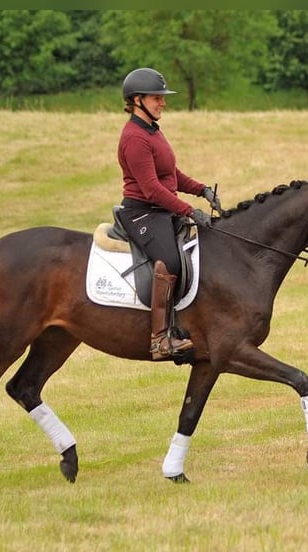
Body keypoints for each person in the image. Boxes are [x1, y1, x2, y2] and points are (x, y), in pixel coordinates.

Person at [116, 67, 222, 361]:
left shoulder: (152, 131)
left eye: (162, 98)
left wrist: (201, 189)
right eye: (156, 98)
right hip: (142, 214)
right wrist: (189, 210)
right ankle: (160, 339)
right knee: (171, 260)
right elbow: (151, 189)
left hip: (161, 211)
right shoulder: (135, 137)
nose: (162, 102)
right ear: (137, 100)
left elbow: (170, 174)